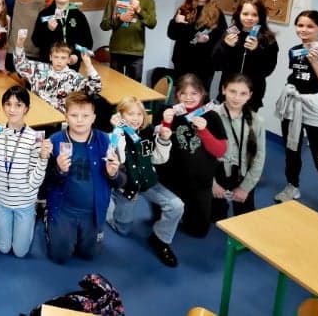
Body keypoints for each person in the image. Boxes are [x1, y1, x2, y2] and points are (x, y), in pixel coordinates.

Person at [0, 85, 52, 257]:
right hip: (2, 200)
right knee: (3, 248)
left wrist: (43, 159)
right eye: (8, 104)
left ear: (26, 108)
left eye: (18, 105)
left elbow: (35, 182)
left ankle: (32, 214)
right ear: (3, 106)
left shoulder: (35, 138)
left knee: (20, 252)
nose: (12, 109)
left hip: (25, 202)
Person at [45, 92, 125, 264]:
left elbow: (121, 182)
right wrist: (59, 171)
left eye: (85, 116)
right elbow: (44, 185)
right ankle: (49, 221)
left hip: (94, 211)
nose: (79, 120)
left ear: (93, 117)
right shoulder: (54, 141)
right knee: (60, 256)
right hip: (63, 210)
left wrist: (113, 173)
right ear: (66, 116)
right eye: (74, 115)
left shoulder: (106, 141)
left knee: (90, 254)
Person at [106, 96, 183, 267]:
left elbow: (158, 159)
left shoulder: (148, 132)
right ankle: (109, 204)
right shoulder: (114, 135)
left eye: (139, 114)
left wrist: (164, 140)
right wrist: (119, 130)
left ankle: (160, 239)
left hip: (147, 182)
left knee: (177, 205)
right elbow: (120, 157)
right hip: (127, 188)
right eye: (130, 114)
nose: (135, 118)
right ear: (120, 115)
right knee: (123, 229)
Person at [274, 10, 318, 206]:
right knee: (291, 150)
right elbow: (297, 77)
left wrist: (315, 62)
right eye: (300, 25)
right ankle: (292, 186)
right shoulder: (294, 50)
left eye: (310, 26)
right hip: (292, 105)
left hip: (314, 106)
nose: (303, 30)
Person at [156, 73, 227, 238]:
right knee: (162, 219)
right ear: (177, 95)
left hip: (200, 182)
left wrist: (203, 131)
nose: (188, 98)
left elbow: (220, 151)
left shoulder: (212, 116)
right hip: (170, 178)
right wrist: (166, 123)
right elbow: (157, 145)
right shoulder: (168, 113)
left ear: (202, 94)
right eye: (183, 93)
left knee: (198, 231)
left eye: (194, 93)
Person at [212, 74, 265, 220]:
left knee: (245, 221)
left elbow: (259, 157)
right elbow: (201, 155)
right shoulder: (210, 116)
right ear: (223, 90)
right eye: (232, 91)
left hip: (243, 175)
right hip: (216, 174)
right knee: (214, 217)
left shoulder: (257, 121)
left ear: (250, 95)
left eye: (243, 93)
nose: (236, 98)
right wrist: (212, 184)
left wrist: (245, 188)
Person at [212, 0, 278, 111]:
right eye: (245, 14)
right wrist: (225, 46)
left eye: (254, 15)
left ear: (261, 16)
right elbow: (215, 63)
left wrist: (256, 51)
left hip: (252, 95)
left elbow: (268, 70)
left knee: (247, 122)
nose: (249, 18)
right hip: (228, 91)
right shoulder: (230, 33)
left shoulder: (268, 39)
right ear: (239, 14)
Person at [167, 0, 227, 95]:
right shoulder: (184, 9)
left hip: (204, 64)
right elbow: (172, 34)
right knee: (183, 95)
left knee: (200, 96)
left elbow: (221, 37)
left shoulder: (217, 13)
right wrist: (176, 22)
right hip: (183, 61)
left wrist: (208, 39)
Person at [100, 0, 157, 82]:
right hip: (117, 49)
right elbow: (104, 25)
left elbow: (152, 24)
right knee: (115, 85)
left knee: (134, 87)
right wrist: (120, 19)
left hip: (135, 51)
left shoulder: (147, 0)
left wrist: (139, 10)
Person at [14, 37, 101, 114]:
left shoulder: (74, 77)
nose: (59, 61)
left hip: (56, 117)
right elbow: (21, 66)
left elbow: (95, 88)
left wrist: (88, 64)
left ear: (69, 60)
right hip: (35, 111)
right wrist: (19, 45)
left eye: (63, 58)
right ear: (50, 57)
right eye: (56, 57)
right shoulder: (39, 69)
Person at [32, 0, 93, 70]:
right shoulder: (44, 14)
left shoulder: (78, 15)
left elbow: (88, 42)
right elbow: (35, 41)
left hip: (71, 65)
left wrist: (76, 56)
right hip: (49, 65)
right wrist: (48, 30)